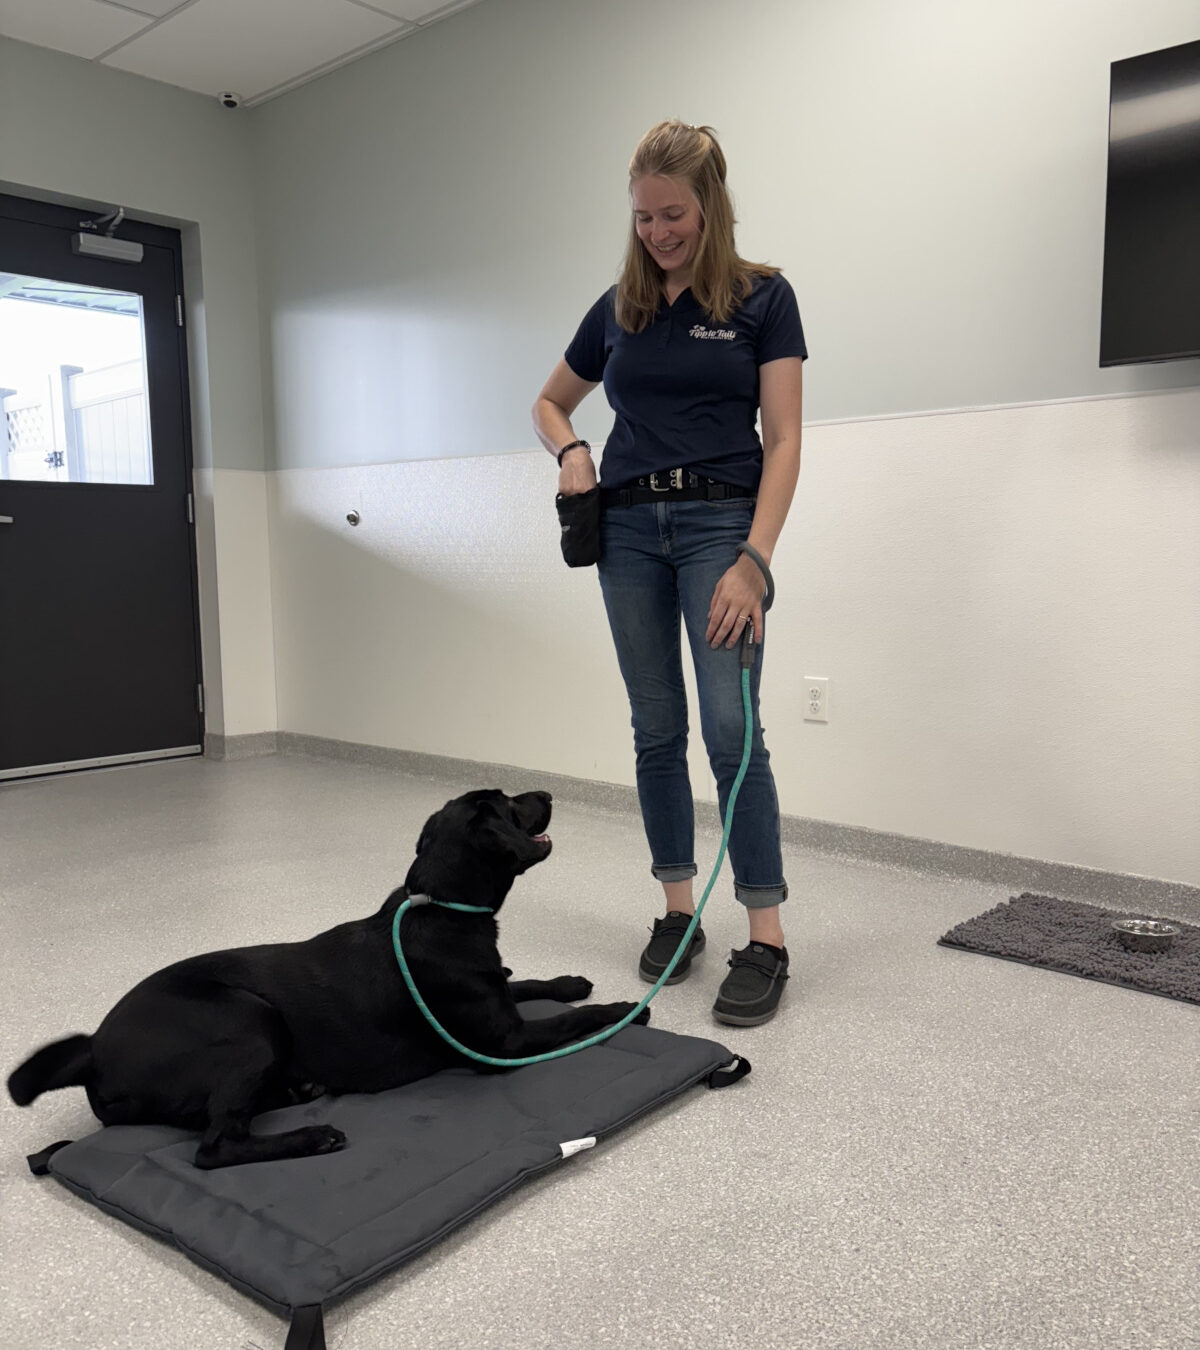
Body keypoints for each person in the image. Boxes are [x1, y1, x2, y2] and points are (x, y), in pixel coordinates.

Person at [532, 120, 806, 1027]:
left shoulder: (764, 298)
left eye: (673, 214)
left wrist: (753, 562)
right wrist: (572, 448)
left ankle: (765, 938)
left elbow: (786, 441)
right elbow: (548, 399)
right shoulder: (618, 307)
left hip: (721, 526)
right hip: (627, 533)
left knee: (733, 736)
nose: (657, 232)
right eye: (644, 217)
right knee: (656, 728)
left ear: (711, 204)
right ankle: (677, 914)